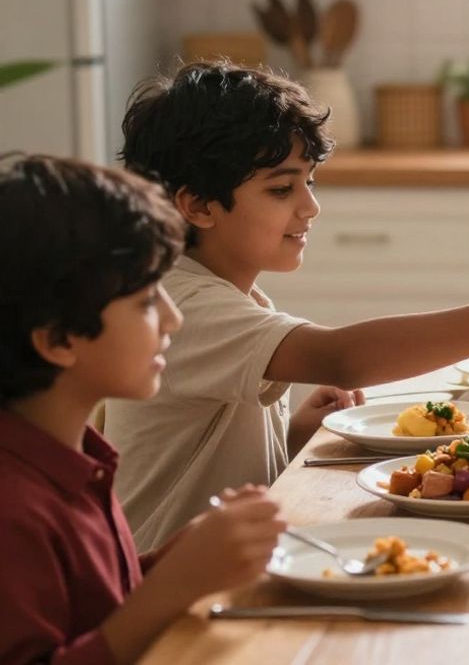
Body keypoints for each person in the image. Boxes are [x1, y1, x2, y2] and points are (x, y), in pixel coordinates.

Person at [105, 62, 469, 551]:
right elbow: (342, 356)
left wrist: (294, 436)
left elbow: (224, 471)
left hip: (225, 566)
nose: (311, 206)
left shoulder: (229, 292)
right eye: (281, 189)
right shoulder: (180, 302)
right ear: (198, 204)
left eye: (310, 182)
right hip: (164, 589)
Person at [0, 153, 287, 665]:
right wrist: (170, 590)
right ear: (59, 339)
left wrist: (163, 566)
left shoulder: (77, 457)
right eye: (147, 300)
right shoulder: (15, 508)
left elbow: (92, 613)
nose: (173, 318)